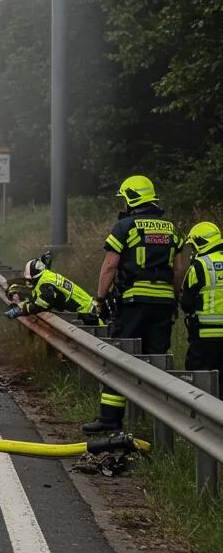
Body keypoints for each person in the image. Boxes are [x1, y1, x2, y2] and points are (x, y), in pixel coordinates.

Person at [83, 174, 185, 433]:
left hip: (133, 303)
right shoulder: (172, 229)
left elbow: (110, 266)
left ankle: (110, 419)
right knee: (157, 360)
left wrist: (101, 299)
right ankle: (161, 425)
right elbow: (178, 270)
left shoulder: (125, 227)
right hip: (163, 304)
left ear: (131, 199)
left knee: (120, 359)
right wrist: (172, 300)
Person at [178, 222, 223, 376]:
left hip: (205, 338)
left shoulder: (200, 266)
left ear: (200, 242)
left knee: (200, 383)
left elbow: (186, 303)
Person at [5, 257, 103, 325]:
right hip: (88, 309)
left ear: (35, 276)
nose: (29, 282)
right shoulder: (46, 276)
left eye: (30, 279)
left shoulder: (45, 285)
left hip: (87, 315)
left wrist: (22, 309)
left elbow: (41, 304)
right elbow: (37, 298)